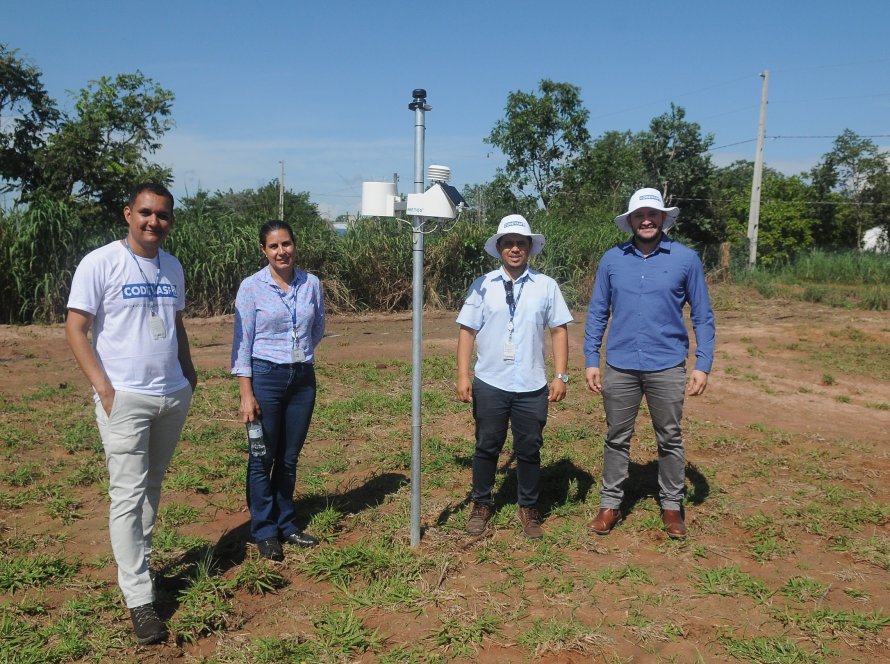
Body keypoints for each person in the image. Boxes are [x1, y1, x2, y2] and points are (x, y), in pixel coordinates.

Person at [66, 182, 198, 645]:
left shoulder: (173, 265)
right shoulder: (100, 262)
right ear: (128, 213)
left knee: (151, 488)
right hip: (125, 398)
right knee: (127, 494)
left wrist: (189, 374)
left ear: (170, 220)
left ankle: (137, 568)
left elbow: (176, 323)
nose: (153, 222)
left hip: (171, 395)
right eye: (145, 212)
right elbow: (76, 327)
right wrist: (103, 388)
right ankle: (140, 599)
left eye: (162, 215)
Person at [584, 188, 715, 539]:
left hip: (667, 364)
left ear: (662, 218)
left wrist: (703, 364)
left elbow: (702, 315)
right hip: (621, 364)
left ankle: (672, 506)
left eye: (652, 214)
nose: (646, 220)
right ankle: (610, 504)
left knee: (669, 437)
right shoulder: (612, 259)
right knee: (616, 437)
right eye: (639, 215)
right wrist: (591, 359)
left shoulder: (686, 259)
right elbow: (597, 312)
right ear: (630, 221)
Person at [456, 214, 573, 539]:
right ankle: (481, 505)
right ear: (499, 248)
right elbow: (467, 331)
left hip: (532, 384)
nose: (515, 248)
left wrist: (561, 375)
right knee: (486, 445)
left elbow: (559, 331)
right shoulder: (483, 285)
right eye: (509, 243)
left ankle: (529, 508)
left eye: (521, 243)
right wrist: (463, 374)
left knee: (529, 448)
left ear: (529, 248)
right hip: (490, 382)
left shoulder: (546, 286)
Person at [231, 220, 325, 561]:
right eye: (273, 246)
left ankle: (287, 523)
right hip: (265, 376)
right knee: (262, 457)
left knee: (288, 458)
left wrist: (297, 358)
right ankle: (265, 531)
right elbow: (242, 344)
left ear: (294, 245)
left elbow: (318, 327)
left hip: (302, 378)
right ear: (264, 250)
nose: (281, 251)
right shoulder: (251, 287)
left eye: (286, 244)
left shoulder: (311, 283)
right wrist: (247, 392)